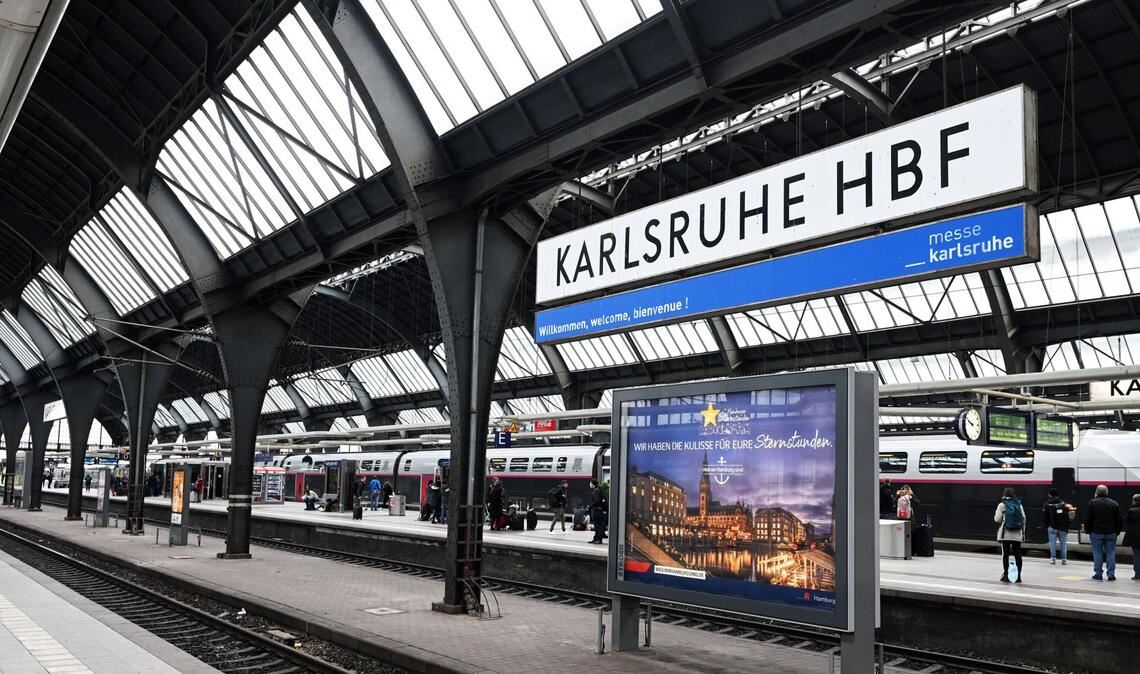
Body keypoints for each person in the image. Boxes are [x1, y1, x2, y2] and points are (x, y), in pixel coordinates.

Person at [1084, 484, 1123, 581]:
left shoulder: (1092, 503)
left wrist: (1087, 530)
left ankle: (1098, 573)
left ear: (1096, 492)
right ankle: (1111, 574)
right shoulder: (1114, 503)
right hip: (1111, 532)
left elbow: (1088, 518)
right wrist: (1117, 531)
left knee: (1097, 553)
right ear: (1107, 492)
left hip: (1096, 532)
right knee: (1111, 553)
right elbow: (1119, 520)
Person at [995, 487, 1027, 583]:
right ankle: (1018, 577)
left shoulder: (1002, 505)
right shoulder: (1019, 505)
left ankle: (1006, 575)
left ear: (1004, 494)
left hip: (1006, 535)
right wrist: (1022, 532)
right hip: (1017, 534)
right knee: (1018, 555)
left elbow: (997, 519)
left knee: (1005, 555)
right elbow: (1024, 519)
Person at [1042, 488, 1071, 565]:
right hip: (1063, 527)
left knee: (1052, 543)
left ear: (1049, 494)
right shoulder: (1063, 503)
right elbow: (1067, 516)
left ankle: (1053, 559)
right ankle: (1064, 560)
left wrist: (1047, 525)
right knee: (1063, 543)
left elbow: (1045, 517)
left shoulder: (1047, 504)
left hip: (1052, 527)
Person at [1123, 494, 1140, 581]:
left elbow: (1126, 521)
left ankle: (1138, 574)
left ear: (1134, 501)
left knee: (1137, 555)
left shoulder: (1131, 511)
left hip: (1135, 537)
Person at [589, 479, 607, 545]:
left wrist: (590, 506)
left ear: (593, 484)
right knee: (597, 526)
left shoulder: (596, 491)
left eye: (590, 483)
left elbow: (596, 501)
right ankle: (596, 538)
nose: (590, 485)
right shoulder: (598, 489)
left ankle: (599, 540)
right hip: (599, 510)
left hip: (598, 510)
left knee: (598, 526)